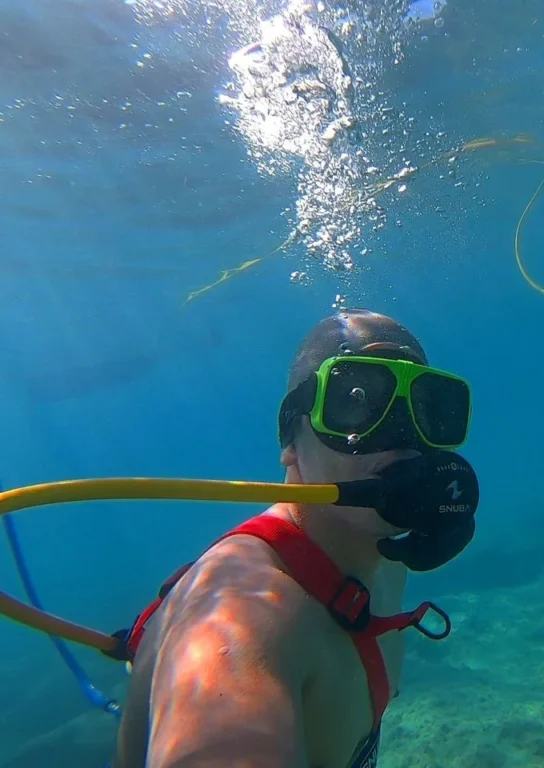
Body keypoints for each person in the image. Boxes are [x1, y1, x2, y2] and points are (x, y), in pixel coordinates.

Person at [111, 309, 478, 768]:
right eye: (355, 401)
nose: (401, 437)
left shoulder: (382, 553)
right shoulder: (240, 619)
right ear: (290, 437)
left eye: (428, 408)